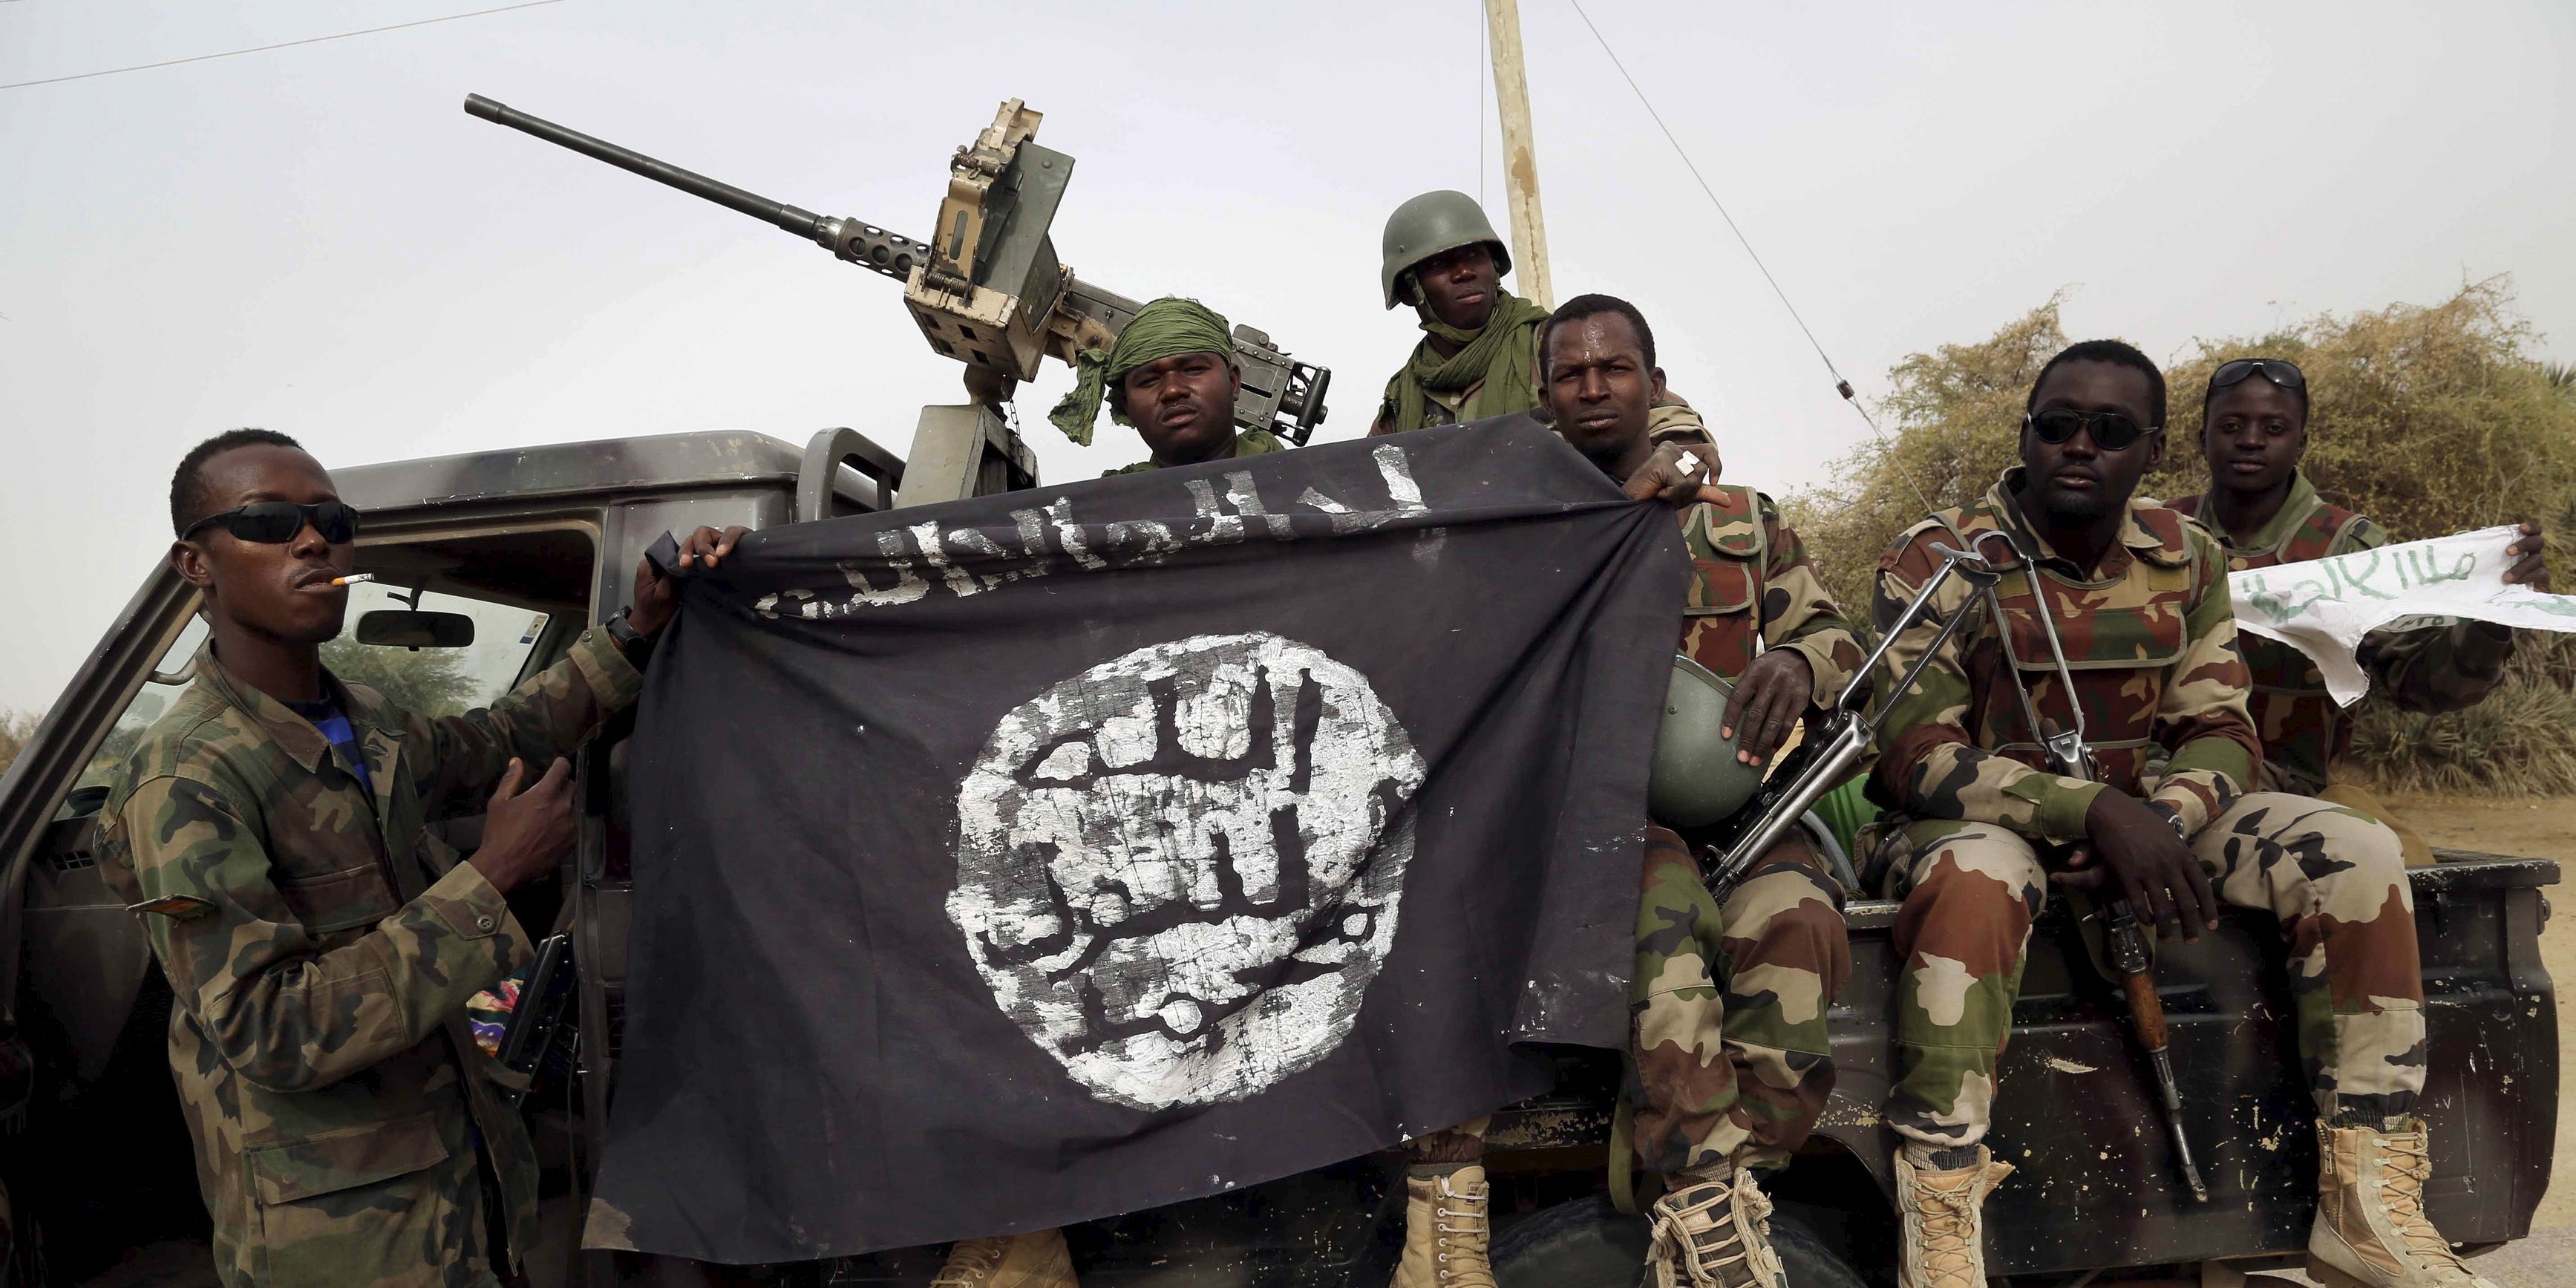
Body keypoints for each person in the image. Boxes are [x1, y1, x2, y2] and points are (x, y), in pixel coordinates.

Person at [1863, 342, 2490, 1288]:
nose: (2078, 446)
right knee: (1978, 879)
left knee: (2351, 846)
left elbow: (2218, 729)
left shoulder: (2184, 556)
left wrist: (2156, 815)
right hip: (1980, 819)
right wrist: (2091, 813)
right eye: (2055, 425)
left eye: (2110, 431)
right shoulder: (1945, 557)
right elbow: (1915, 751)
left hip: (2146, 813)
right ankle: (1943, 1210)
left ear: (2152, 449)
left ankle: (2365, 1197)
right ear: (2024, 433)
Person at [96, 428, 748, 1288]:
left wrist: (638, 626)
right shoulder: (185, 777)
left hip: (461, 1176)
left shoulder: (368, 720)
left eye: (331, 518)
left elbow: (502, 737)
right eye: (269, 522)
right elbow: (269, 1029)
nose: (312, 539)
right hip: (341, 1235)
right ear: (196, 564)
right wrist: (490, 880)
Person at [1384, 295, 1860, 1288]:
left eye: (1613, 368)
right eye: (1570, 373)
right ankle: (1699, 1193)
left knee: (1803, 926)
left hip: (1743, 807)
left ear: (1653, 378)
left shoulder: (1740, 518)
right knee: (1656, 919)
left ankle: (1742, 1177)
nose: (1593, 388)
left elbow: (1827, 632)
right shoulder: (1516, 529)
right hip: (1603, 818)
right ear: (1547, 394)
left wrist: (1802, 667)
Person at [2168, 356, 2550, 860]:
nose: (2251, 440)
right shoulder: (2163, 534)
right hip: (2163, 779)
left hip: (2292, 793)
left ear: (2301, 443)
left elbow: (2419, 683)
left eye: (2274, 427)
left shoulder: (2348, 551)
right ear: (2203, 438)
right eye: (2232, 426)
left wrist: (2491, 618)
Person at [1367, 192, 1719, 458]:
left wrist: (1683, 455)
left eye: (1474, 256)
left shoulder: (1553, 346)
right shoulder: (1405, 392)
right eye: (1442, 265)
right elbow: (1368, 477)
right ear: (1410, 290)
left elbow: (1667, 417)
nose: (1464, 272)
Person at [1046, 295, 1285, 477]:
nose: (1172, 390)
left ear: (1233, 382)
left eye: (1193, 370)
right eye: (1149, 381)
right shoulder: (1107, 512)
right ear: (1126, 405)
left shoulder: (1301, 477)